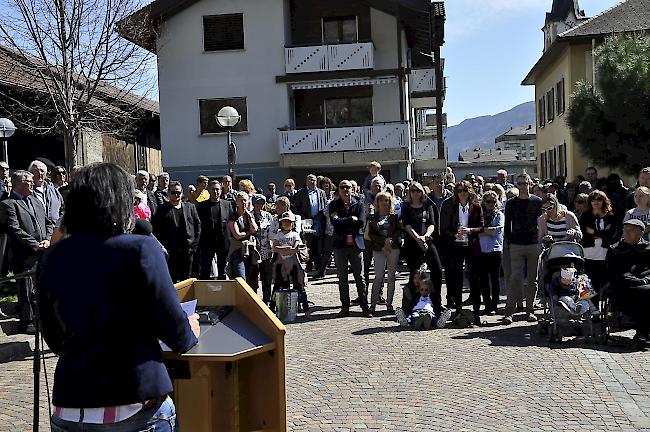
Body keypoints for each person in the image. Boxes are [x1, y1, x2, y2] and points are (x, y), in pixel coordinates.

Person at [36, 163, 199, 432]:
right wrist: (190, 327)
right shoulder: (140, 248)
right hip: (133, 405)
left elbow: (54, 340)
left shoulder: (50, 258)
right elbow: (177, 333)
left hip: (71, 408)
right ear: (121, 202)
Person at [0, 170, 53, 334]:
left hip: (43, 250)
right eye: (29, 181)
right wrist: (36, 244)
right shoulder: (9, 204)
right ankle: (27, 321)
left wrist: (48, 239)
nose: (33, 183)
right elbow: (15, 230)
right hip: (24, 254)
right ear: (18, 183)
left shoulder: (35, 201)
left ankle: (43, 317)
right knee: (25, 288)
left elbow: (48, 222)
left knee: (43, 287)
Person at [440, 180, 484, 325]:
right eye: (459, 191)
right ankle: (458, 310)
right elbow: (444, 228)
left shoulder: (476, 207)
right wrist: (454, 234)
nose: (462, 193)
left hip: (471, 246)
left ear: (469, 192)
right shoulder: (450, 206)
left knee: (475, 279)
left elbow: (482, 227)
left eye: (465, 190)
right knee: (456, 279)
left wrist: (470, 231)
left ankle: (476, 312)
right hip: (455, 246)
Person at [502, 173, 543, 324]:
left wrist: (541, 238)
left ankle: (530, 310)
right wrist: (507, 241)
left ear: (530, 183)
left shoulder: (537, 201)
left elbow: (542, 222)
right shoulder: (511, 203)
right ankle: (509, 312)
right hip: (516, 244)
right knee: (515, 278)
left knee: (533, 279)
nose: (523, 186)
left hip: (533, 243)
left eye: (525, 183)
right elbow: (507, 224)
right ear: (516, 185)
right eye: (519, 184)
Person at [402, 181, 445, 317]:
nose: (415, 193)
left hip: (427, 241)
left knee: (437, 271)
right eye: (413, 190)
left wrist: (425, 237)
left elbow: (432, 224)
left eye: (418, 190)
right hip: (412, 243)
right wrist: (418, 238)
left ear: (422, 192)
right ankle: (412, 305)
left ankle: (436, 302)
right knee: (415, 275)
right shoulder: (406, 206)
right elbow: (407, 225)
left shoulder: (428, 205)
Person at [329, 180, 370, 317]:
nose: (346, 189)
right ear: (338, 190)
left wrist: (345, 220)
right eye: (342, 187)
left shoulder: (358, 203)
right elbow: (335, 221)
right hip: (340, 245)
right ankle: (345, 306)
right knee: (342, 278)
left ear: (353, 189)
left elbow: (361, 222)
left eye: (348, 187)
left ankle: (365, 306)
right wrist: (350, 219)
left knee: (360, 276)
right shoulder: (333, 204)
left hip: (356, 245)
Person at [606, 218, 650, 345]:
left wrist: (645, 280)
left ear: (641, 233)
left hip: (644, 285)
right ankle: (642, 332)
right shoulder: (616, 249)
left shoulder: (647, 249)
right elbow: (615, 272)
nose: (626, 233)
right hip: (622, 288)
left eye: (631, 230)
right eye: (625, 230)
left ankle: (643, 332)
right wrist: (636, 281)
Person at [152, 181, 201, 282]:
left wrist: (193, 246)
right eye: (173, 192)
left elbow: (197, 227)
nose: (176, 195)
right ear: (169, 194)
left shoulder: (190, 207)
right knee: (171, 280)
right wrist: (162, 247)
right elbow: (156, 230)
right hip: (171, 252)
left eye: (178, 192)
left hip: (187, 251)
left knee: (186, 280)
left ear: (182, 193)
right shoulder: (162, 209)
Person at [367, 192, 401, 314]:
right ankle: (372, 305)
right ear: (378, 202)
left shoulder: (395, 217)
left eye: (387, 200)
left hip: (393, 248)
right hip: (379, 249)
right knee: (378, 277)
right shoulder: (373, 217)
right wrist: (383, 242)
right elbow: (371, 235)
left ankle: (389, 303)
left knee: (391, 277)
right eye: (381, 200)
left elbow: (398, 231)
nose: (384, 203)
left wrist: (390, 240)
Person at [580, 190, 617, 302]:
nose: (596, 202)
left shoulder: (610, 216)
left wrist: (595, 233)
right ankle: (588, 308)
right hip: (588, 253)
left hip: (603, 253)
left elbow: (611, 235)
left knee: (598, 282)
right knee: (586, 281)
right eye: (594, 199)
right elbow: (585, 233)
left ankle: (597, 310)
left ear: (604, 201)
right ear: (590, 202)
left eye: (599, 199)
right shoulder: (586, 216)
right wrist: (602, 233)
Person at [270, 211, 309, 316]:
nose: (287, 224)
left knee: (299, 286)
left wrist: (283, 249)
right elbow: (274, 248)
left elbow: (295, 248)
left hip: (293, 265)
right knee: (277, 286)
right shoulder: (278, 235)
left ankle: (306, 308)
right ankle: (272, 308)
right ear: (281, 223)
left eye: (289, 222)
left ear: (293, 223)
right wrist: (286, 248)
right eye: (284, 222)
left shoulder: (295, 235)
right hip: (281, 265)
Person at [196, 180, 233, 280]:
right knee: (205, 271)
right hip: (207, 242)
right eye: (213, 189)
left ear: (221, 190)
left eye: (217, 189)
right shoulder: (201, 206)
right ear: (209, 190)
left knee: (223, 271)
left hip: (223, 241)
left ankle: (221, 293)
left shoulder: (227, 204)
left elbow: (231, 222)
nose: (215, 192)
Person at [293, 174, 327, 273]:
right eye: (310, 180)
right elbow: (296, 207)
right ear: (306, 181)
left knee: (318, 243)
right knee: (308, 242)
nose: (312, 182)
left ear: (316, 181)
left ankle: (318, 263)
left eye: (313, 180)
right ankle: (308, 264)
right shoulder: (301, 192)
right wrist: (303, 217)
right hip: (306, 220)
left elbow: (324, 206)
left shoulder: (321, 192)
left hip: (318, 220)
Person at [478, 190, 504, 315]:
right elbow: (475, 231)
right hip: (482, 250)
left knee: (495, 279)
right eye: (488, 202)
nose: (491, 204)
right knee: (483, 279)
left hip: (495, 249)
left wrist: (482, 230)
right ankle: (487, 305)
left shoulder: (499, 215)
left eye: (493, 202)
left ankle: (494, 305)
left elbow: (497, 232)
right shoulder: (479, 215)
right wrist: (485, 230)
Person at [226, 192, 259, 281]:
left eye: (246, 200)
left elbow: (255, 229)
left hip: (249, 250)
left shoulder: (249, 215)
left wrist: (249, 216)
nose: (244, 203)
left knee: (249, 278)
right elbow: (237, 235)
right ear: (237, 202)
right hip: (237, 251)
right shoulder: (233, 217)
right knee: (241, 278)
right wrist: (249, 232)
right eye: (242, 200)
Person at [250, 194, 274, 303]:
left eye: (262, 203)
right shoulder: (249, 216)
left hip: (266, 251)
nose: (260, 205)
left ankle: (267, 300)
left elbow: (273, 231)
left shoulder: (268, 216)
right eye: (257, 203)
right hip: (253, 253)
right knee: (253, 278)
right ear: (253, 204)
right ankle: (254, 301)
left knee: (266, 278)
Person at [29, 160, 64, 224]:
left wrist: (58, 226)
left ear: (46, 174)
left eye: (42, 171)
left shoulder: (54, 191)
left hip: (54, 230)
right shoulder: (27, 191)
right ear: (30, 173)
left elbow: (62, 210)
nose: (40, 173)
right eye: (36, 171)